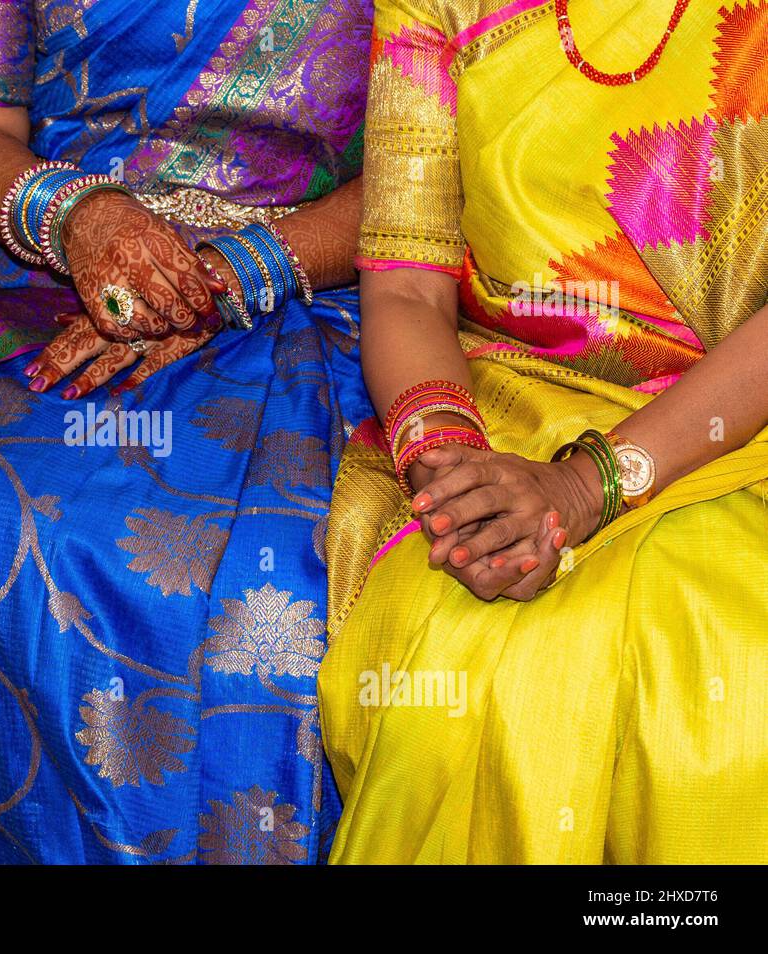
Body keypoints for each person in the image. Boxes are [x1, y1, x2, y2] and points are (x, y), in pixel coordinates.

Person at [0, 0, 373, 864]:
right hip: (58, 283)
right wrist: (84, 220)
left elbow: (424, 167)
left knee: (292, 587)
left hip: (309, 283)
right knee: (0, 529)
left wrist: (226, 278)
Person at [318, 0, 768, 863]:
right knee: (452, 676)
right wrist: (464, 490)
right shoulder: (436, 9)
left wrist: (586, 484)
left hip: (742, 411)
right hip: (510, 407)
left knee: (728, 682)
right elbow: (407, 290)